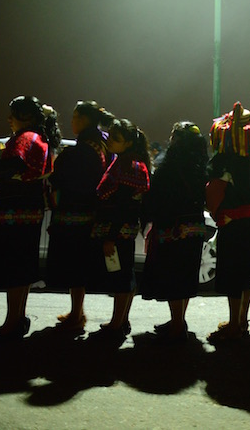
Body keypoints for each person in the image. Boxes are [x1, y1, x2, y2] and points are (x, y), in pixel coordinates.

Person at [0, 96, 61, 339]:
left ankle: (12, 322)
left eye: (13, 114)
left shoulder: (26, 138)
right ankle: (17, 318)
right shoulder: (40, 138)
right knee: (22, 267)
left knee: (15, 267)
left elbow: (9, 168)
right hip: (29, 211)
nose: (9, 119)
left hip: (15, 212)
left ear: (27, 117)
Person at [47, 100, 114, 332]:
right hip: (94, 212)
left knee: (75, 266)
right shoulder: (104, 144)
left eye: (75, 117)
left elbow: (61, 178)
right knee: (80, 267)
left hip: (77, 215)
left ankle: (77, 314)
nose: (72, 121)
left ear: (84, 120)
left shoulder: (83, 150)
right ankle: (77, 312)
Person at [140, 121, 209, 344]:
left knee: (173, 277)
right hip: (195, 228)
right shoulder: (202, 167)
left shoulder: (169, 168)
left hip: (172, 229)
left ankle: (177, 325)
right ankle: (178, 320)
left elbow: (155, 198)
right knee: (185, 277)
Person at [206, 102, 250, 342]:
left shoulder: (223, 160)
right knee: (247, 272)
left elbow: (212, 188)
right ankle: (242, 320)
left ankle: (234, 326)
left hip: (231, 223)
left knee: (233, 275)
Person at [90, 118, 150, 341]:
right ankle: (121, 319)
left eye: (116, 139)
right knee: (125, 275)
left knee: (122, 277)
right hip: (123, 229)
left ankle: (117, 322)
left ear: (127, 143)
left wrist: (111, 236)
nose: (110, 142)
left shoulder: (128, 165)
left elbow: (124, 205)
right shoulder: (130, 162)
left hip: (119, 230)